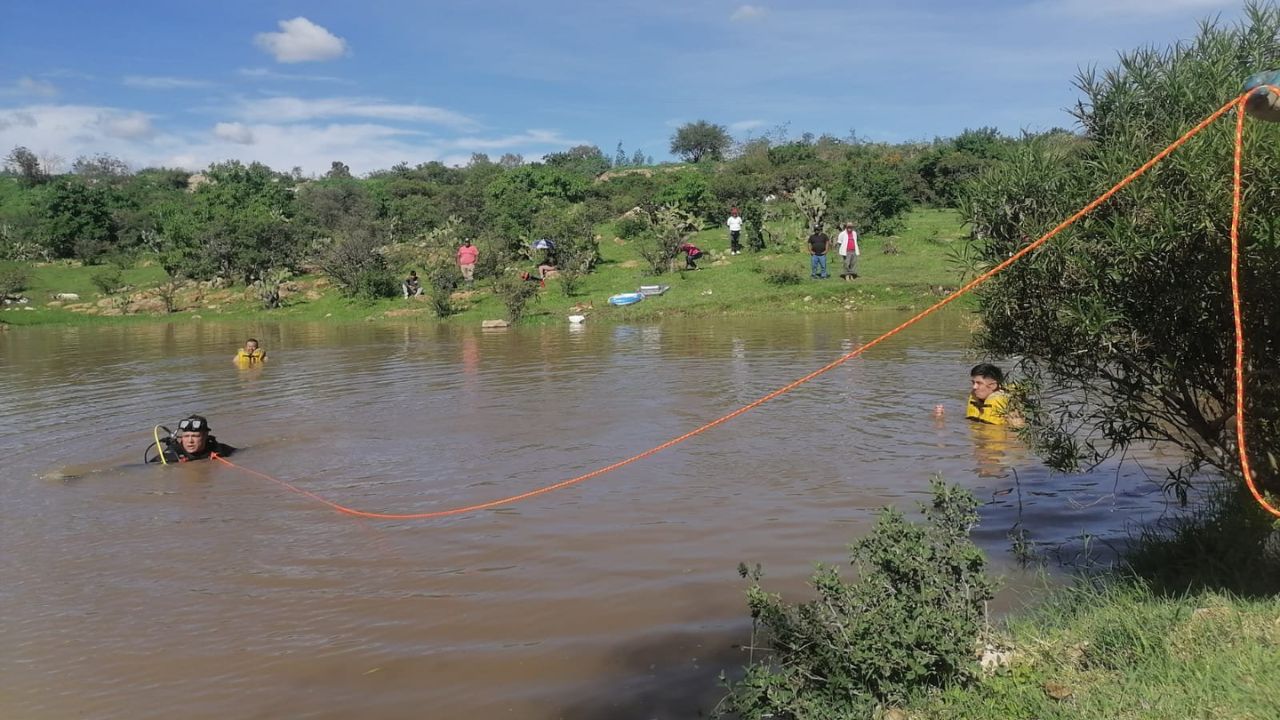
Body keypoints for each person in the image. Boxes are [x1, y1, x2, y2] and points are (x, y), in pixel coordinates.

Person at [150, 415, 235, 463]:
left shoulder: (220, 449)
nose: (190, 441)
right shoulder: (169, 456)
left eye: (195, 436)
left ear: (205, 435)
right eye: (186, 436)